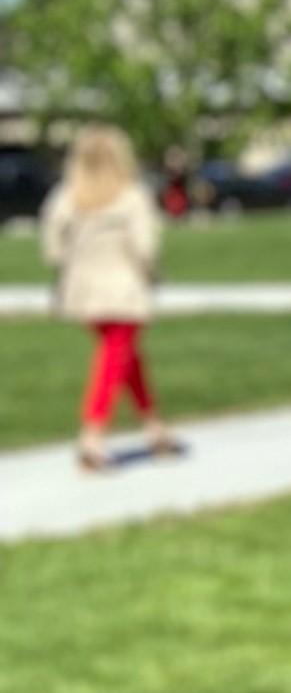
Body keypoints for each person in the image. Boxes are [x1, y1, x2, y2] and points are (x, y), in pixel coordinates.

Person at [40, 123, 179, 472]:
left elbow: (53, 248)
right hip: (123, 288)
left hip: (83, 289)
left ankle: (154, 429)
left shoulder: (67, 196)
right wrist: (152, 274)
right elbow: (145, 247)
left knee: (125, 357)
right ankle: (92, 437)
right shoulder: (131, 196)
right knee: (113, 359)